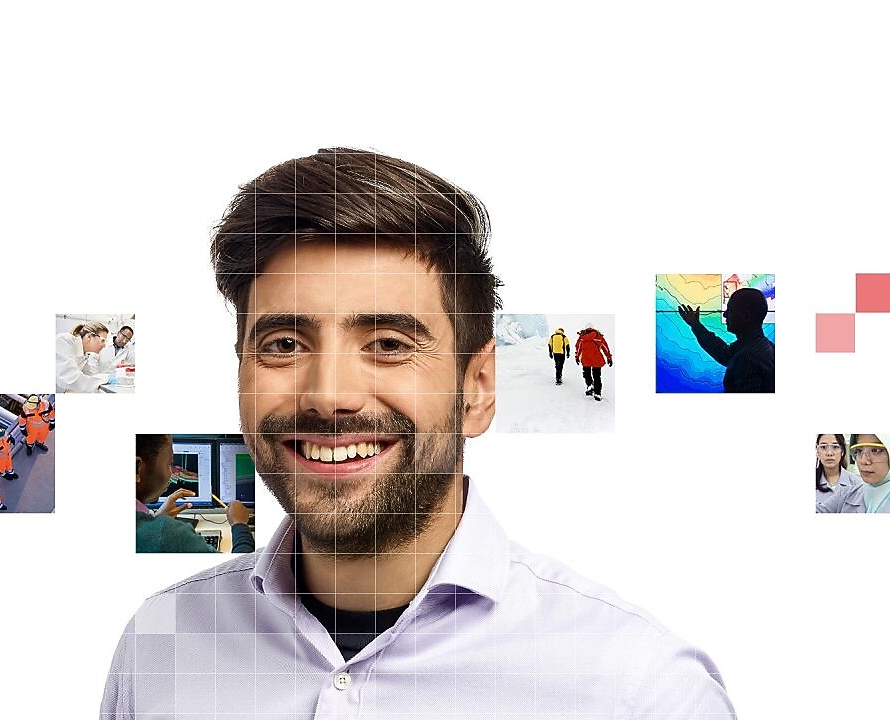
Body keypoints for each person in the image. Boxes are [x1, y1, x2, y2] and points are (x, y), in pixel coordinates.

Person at [102, 149, 733, 718]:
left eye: (389, 344)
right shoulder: (159, 647)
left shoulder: (642, 692)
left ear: (478, 388)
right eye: (284, 343)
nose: (329, 395)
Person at [134, 434, 254, 553]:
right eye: (169, 463)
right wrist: (239, 524)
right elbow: (243, 568)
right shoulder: (169, 533)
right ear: (137, 469)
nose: (172, 474)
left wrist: (157, 521)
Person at [677, 287, 775, 392]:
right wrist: (695, 324)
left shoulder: (747, 357)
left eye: (730, 310)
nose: (724, 314)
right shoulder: (767, 346)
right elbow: (724, 353)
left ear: (746, 316)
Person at [816, 433, 890, 513]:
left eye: (875, 450)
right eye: (859, 451)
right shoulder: (846, 494)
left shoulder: (854, 481)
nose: (863, 461)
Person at [55, 321, 118, 392]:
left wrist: (109, 377)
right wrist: (106, 379)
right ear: (89, 337)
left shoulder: (85, 355)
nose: (104, 345)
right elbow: (70, 379)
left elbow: (90, 375)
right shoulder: (64, 340)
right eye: (102, 340)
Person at [574, 322, 613, 401]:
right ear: (593, 328)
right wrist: (609, 357)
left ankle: (590, 386)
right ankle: (597, 393)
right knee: (597, 376)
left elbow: (578, 348)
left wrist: (577, 357)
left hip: (586, 360)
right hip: (596, 360)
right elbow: (605, 348)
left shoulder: (582, 337)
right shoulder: (599, 336)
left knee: (586, 374)